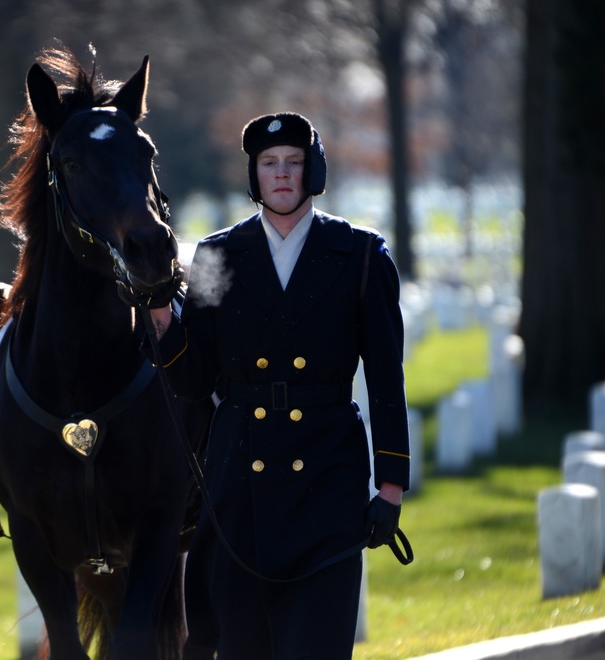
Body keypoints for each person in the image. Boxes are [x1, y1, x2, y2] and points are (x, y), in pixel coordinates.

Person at [144, 112, 410, 658]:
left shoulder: (361, 255)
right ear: (254, 175)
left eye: (292, 162)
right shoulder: (217, 256)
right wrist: (163, 324)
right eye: (269, 164)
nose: (282, 174)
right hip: (239, 477)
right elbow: (196, 380)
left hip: (328, 478)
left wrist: (391, 486)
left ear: (312, 169)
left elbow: (385, 377)